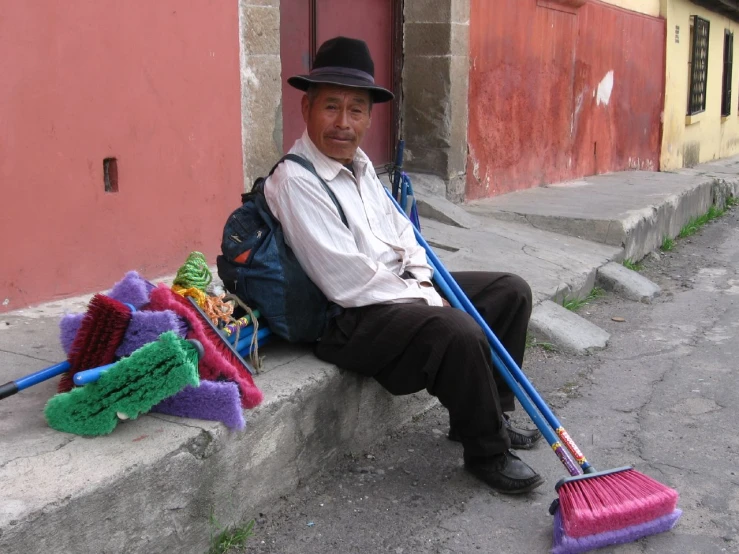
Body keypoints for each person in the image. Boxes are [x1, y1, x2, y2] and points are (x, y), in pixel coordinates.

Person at [264, 36, 544, 494]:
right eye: (331, 106)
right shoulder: (296, 180)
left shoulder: (360, 165)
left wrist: (422, 277)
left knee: (509, 291)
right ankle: (486, 452)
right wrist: (427, 297)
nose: (343, 122)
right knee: (457, 329)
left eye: (356, 110)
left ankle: (491, 413)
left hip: (397, 292)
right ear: (306, 108)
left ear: (369, 118)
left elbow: (405, 236)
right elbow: (346, 280)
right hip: (350, 318)